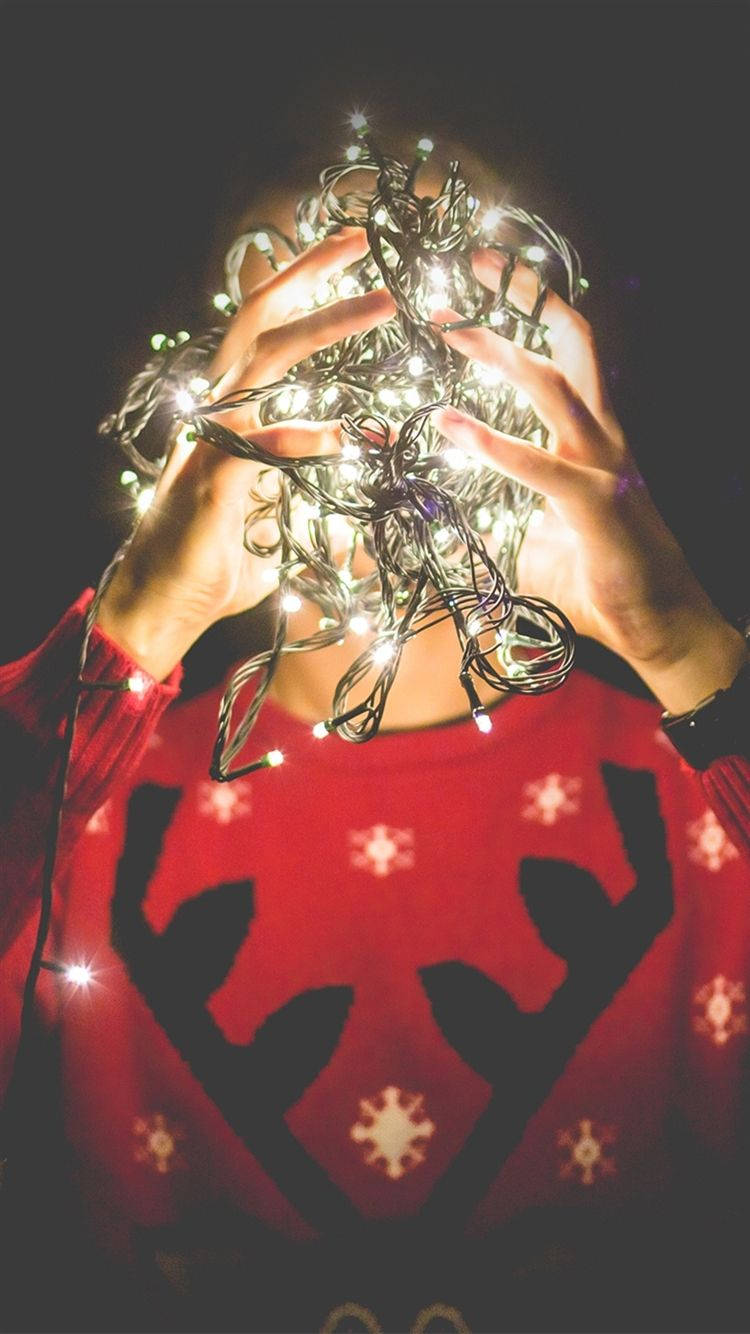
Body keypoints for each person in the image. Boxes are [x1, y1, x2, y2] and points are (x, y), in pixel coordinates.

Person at [1, 146, 749, 1334]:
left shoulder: (684, 796)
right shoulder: (85, 807)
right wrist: (130, 637)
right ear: (216, 386)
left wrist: (700, 664)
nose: (382, 361)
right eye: (316, 297)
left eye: (448, 292)